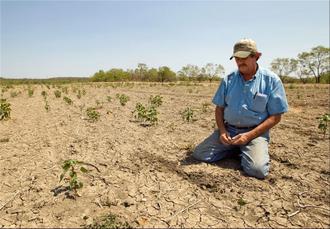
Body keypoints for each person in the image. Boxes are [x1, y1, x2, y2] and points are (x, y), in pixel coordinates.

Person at [192, 38, 288, 179]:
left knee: (257, 171)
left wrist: (248, 136)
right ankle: (235, 148)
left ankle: (245, 149)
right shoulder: (228, 80)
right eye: (236, 58)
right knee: (199, 154)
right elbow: (219, 109)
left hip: (254, 133)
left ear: (256, 56)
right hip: (229, 130)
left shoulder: (271, 80)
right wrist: (223, 131)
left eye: (244, 57)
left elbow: (275, 117)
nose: (240, 61)